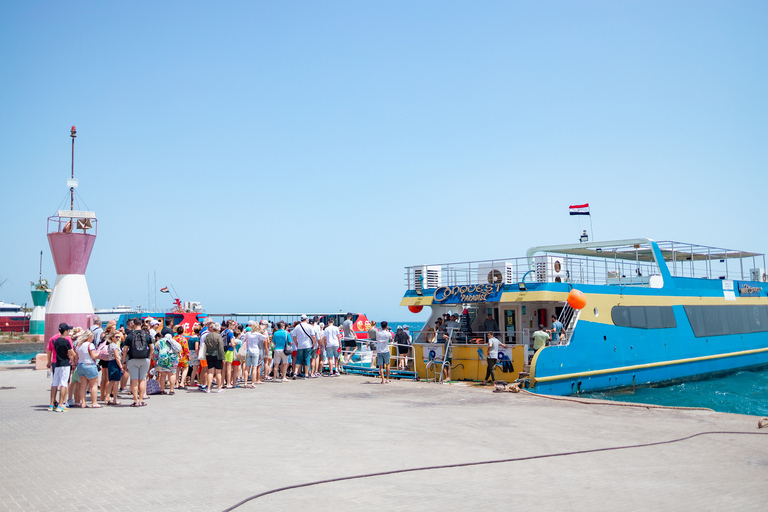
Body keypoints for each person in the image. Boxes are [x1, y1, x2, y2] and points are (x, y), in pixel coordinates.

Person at [123, 319, 154, 407]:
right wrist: (149, 358)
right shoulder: (147, 335)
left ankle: (135, 401)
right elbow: (152, 348)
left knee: (134, 380)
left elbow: (125, 350)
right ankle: (141, 400)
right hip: (144, 359)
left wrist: (124, 361)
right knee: (142, 379)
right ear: (141, 324)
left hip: (133, 359)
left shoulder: (130, 336)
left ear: (133, 324)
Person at [49, 323, 74, 412]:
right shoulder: (67, 341)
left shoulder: (55, 341)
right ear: (65, 331)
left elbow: (52, 351)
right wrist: (73, 358)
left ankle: (51, 404)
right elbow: (71, 353)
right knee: (64, 384)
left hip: (57, 363)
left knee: (55, 383)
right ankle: (60, 404)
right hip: (65, 364)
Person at [75, 330, 101, 408]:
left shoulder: (79, 345)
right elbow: (93, 356)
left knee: (83, 385)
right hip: (89, 365)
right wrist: (98, 353)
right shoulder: (90, 345)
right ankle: (94, 402)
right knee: (94, 385)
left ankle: (83, 402)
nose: (93, 338)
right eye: (92, 337)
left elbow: (76, 357)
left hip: (80, 365)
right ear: (89, 337)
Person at [291, 315, 316, 379]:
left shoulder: (297, 327)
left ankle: (295, 372)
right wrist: (314, 344)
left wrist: (296, 344)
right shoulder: (309, 326)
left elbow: (294, 337)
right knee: (307, 359)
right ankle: (306, 374)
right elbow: (313, 336)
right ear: (306, 319)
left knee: (298, 359)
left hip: (300, 345)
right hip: (308, 345)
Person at [103, 331, 125, 405]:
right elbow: (117, 357)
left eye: (119, 337)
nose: (118, 338)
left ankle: (107, 398)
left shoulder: (110, 345)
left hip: (111, 363)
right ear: (112, 337)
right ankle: (114, 399)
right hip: (115, 363)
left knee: (111, 382)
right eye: (116, 337)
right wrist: (121, 367)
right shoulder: (115, 346)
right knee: (116, 382)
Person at [204, 323, 225, 393]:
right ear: (218, 329)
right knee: (218, 372)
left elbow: (205, 344)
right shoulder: (218, 336)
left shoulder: (208, 335)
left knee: (210, 372)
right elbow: (221, 347)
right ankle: (219, 388)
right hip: (217, 355)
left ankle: (208, 388)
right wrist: (223, 357)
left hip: (209, 354)